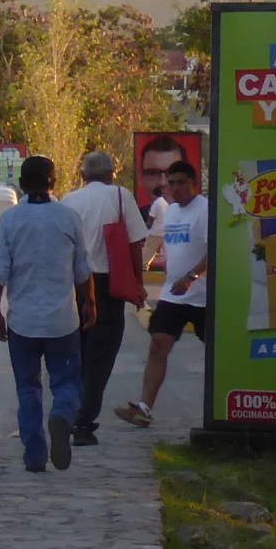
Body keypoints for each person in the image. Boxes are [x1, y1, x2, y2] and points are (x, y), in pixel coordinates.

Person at [0, 154, 93, 472]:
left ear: (20, 184)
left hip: (23, 323)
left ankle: (34, 455)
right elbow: (82, 269)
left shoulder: (10, 220)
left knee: (27, 388)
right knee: (68, 383)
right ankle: (62, 415)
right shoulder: (69, 217)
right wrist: (91, 304)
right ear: (54, 182)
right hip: (63, 322)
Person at [64, 149, 152, 446]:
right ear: (111, 173)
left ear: (82, 175)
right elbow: (135, 244)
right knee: (100, 356)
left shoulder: (69, 200)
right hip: (107, 285)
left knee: (75, 352)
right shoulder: (120, 196)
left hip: (74, 285)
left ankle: (67, 411)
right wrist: (138, 284)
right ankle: (83, 422)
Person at [116, 160, 210, 427]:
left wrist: (192, 277)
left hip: (202, 294)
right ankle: (143, 408)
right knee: (158, 344)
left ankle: (227, 405)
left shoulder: (205, 210)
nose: (176, 188)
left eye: (182, 182)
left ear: (195, 184)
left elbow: (213, 250)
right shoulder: (171, 212)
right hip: (173, 294)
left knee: (216, 351)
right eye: (172, 183)